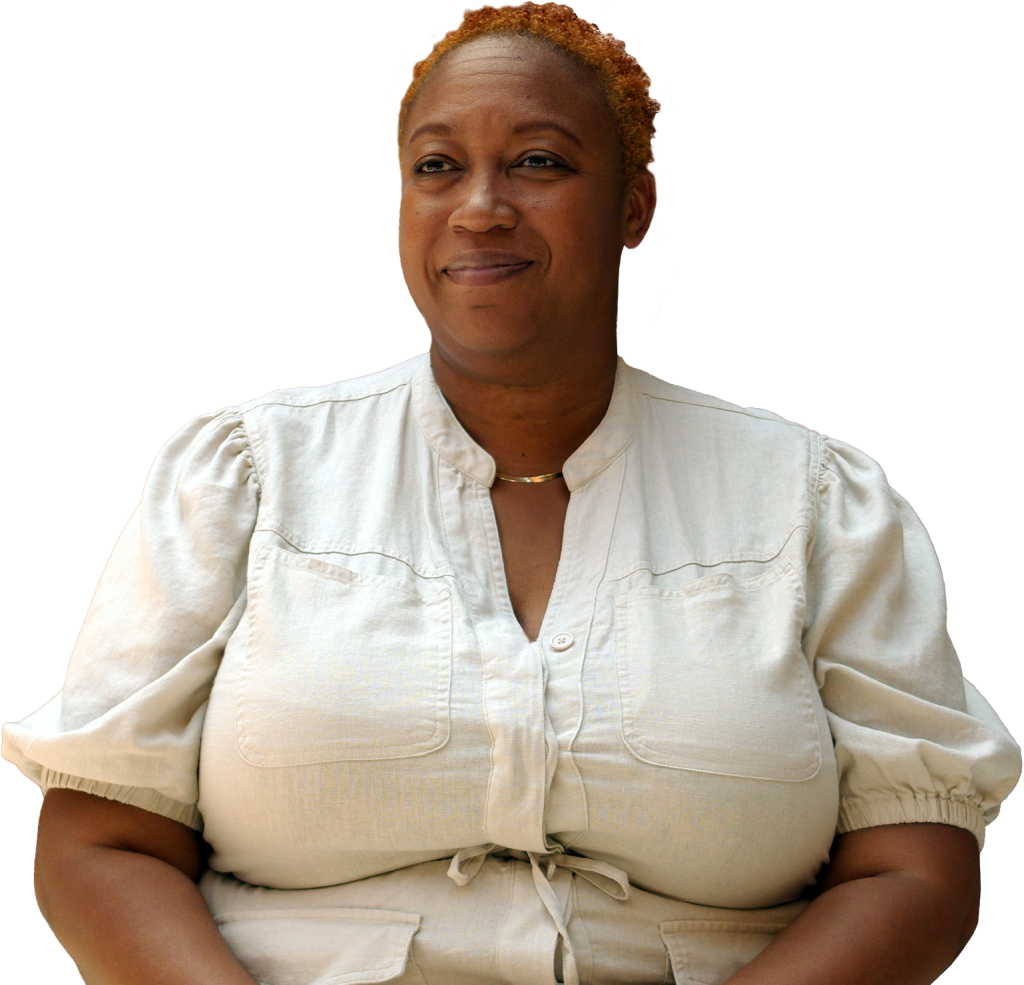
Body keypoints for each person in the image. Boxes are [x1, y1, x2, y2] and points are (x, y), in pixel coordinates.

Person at [4, 5, 1021, 984]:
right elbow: (103, 838)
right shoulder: (244, 474)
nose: (480, 205)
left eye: (538, 161)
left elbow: (913, 864)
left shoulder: (810, 503)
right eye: (437, 166)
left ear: (633, 209)